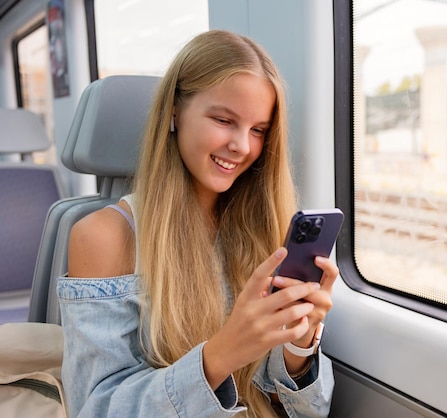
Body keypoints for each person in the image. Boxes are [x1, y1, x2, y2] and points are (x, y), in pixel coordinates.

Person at [57, 30, 337, 418]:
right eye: (224, 120)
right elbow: (96, 409)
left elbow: (304, 411)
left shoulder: (264, 231)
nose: (242, 145)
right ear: (174, 111)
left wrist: (299, 343)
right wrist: (221, 355)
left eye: (258, 130)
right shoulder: (104, 236)